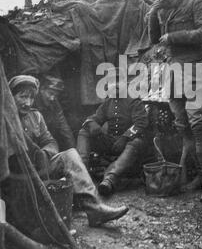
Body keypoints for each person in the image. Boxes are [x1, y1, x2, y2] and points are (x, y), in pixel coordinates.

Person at [8, 75, 129, 227]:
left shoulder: (36, 116)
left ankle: (94, 209)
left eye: (31, 98)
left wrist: (44, 153)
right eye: (22, 96)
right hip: (18, 175)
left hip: (40, 167)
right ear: (10, 97)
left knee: (70, 154)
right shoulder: (5, 120)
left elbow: (50, 141)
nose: (27, 102)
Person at [148, 0, 202, 201]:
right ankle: (198, 176)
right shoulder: (162, 9)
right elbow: (155, 40)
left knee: (197, 124)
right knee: (183, 125)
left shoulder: (196, 2)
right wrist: (151, 13)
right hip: (174, 72)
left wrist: (174, 36)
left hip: (196, 68)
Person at [77, 68, 149, 197]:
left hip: (129, 145)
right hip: (112, 142)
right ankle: (82, 171)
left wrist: (125, 138)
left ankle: (109, 179)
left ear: (125, 83)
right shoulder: (108, 102)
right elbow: (94, 118)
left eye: (118, 81)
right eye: (111, 82)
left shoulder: (133, 100)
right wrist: (92, 123)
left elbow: (141, 123)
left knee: (137, 142)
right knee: (84, 132)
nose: (115, 85)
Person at [35, 75, 75, 151]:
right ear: (42, 89)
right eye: (50, 93)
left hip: (49, 143)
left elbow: (64, 127)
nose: (52, 98)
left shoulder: (55, 103)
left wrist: (73, 150)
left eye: (56, 95)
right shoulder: (32, 103)